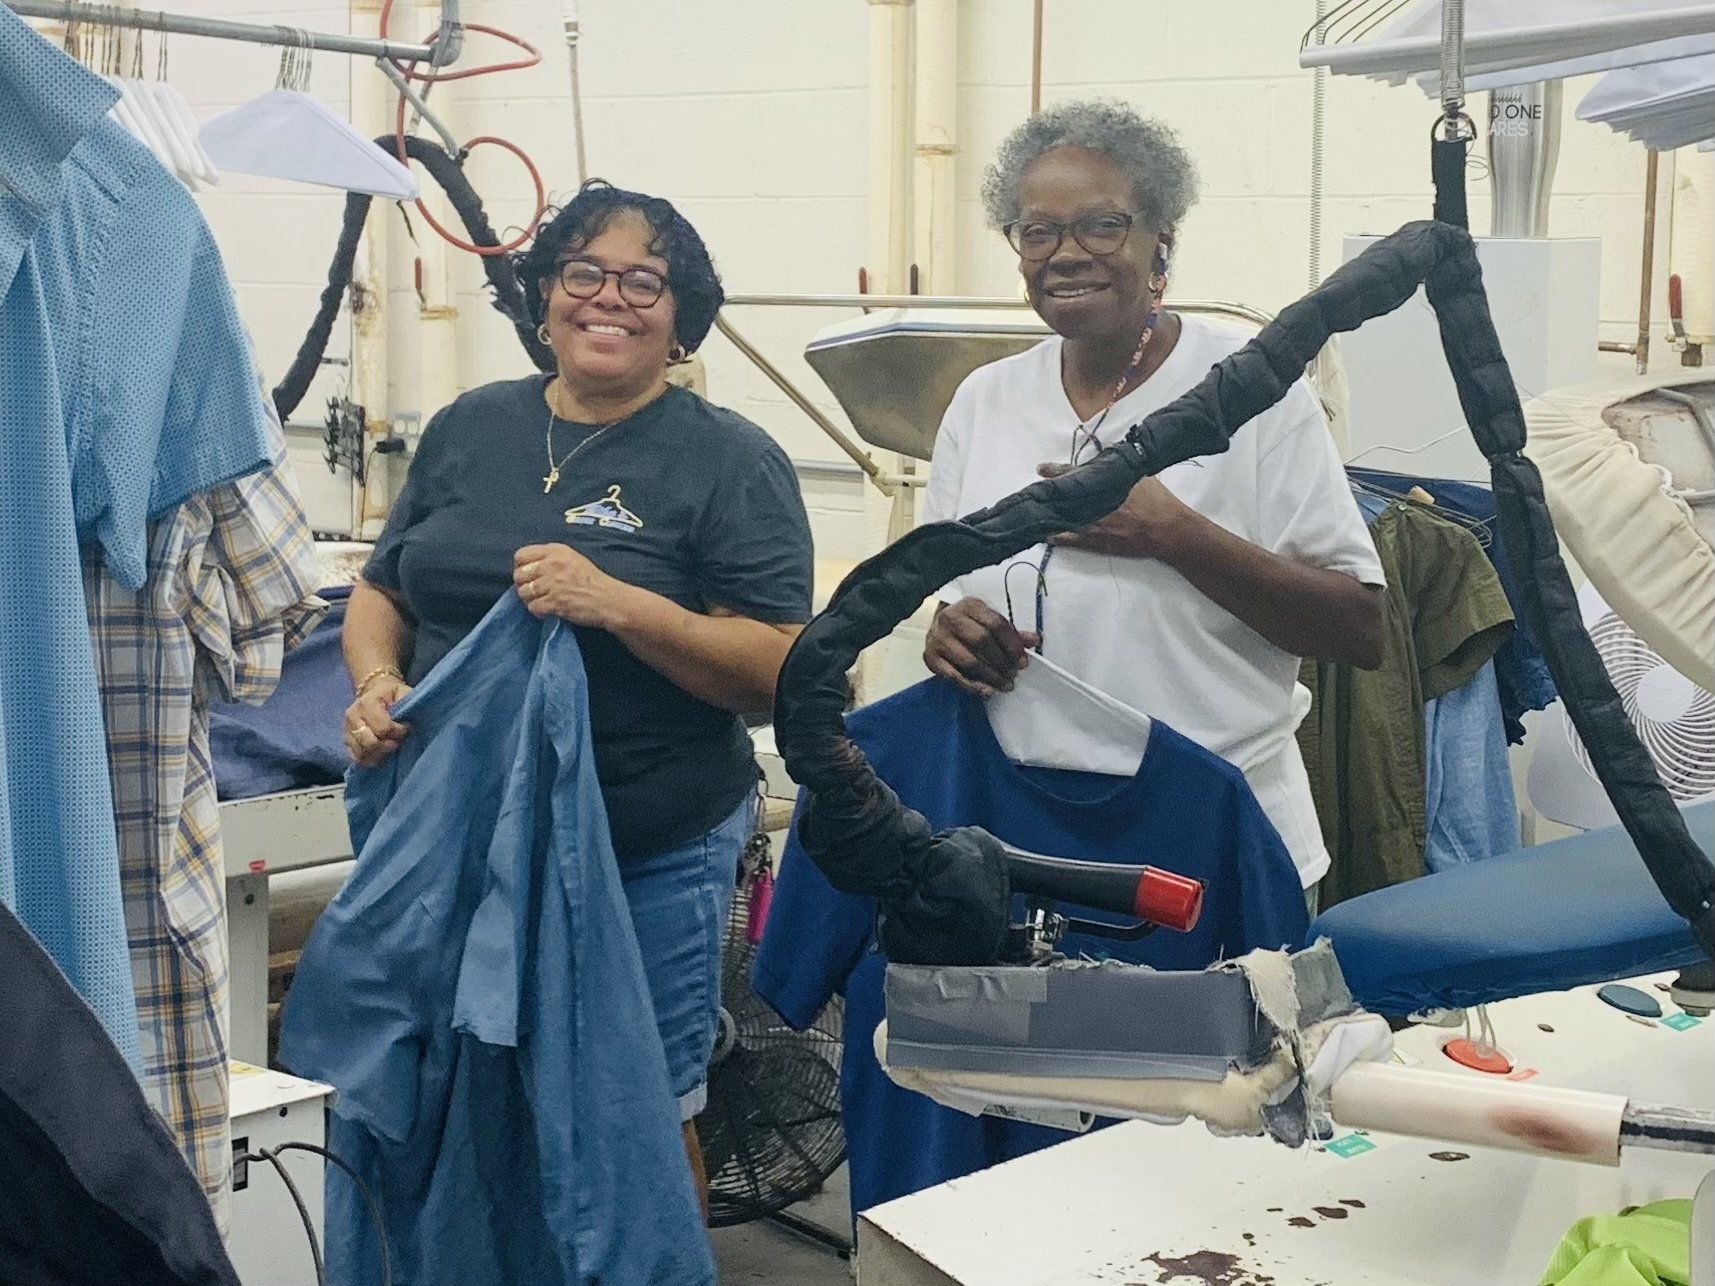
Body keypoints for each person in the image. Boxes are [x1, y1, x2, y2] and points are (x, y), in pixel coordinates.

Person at [339, 178, 814, 1207]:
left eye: (645, 281)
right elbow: (380, 589)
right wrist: (377, 682)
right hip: (459, 837)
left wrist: (620, 604)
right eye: (583, 272)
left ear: (682, 317)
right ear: (545, 295)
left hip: (642, 848)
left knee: (637, 1117)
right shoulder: (471, 426)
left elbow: (782, 670)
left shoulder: (731, 461)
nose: (611, 297)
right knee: (462, 1091)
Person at [921, 101, 1385, 906]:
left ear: (1158, 240)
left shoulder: (1252, 392)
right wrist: (949, 631)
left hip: (1214, 834)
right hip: (1020, 836)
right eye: (1037, 232)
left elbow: (1357, 627)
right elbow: (940, 583)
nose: (1065, 255)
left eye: (1100, 226)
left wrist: (1172, 533)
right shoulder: (985, 399)